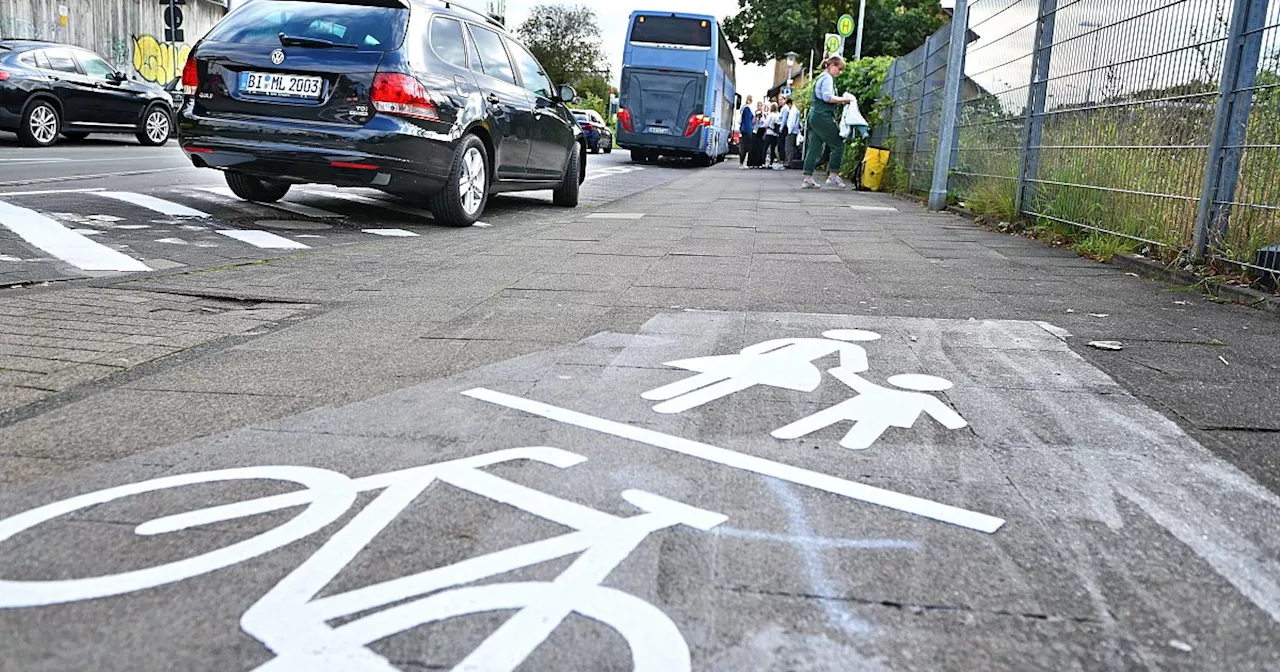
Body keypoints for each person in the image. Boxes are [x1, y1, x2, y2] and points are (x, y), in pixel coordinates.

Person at [802, 55, 857, 189]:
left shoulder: (820, 77)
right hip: (823, 116)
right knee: (839, 143)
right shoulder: (827, 78)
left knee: (814, 147)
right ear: (832, 66)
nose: (840, 72)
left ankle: (807, 178)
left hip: (814, 115)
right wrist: (845, 100)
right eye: (839, 68)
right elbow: (827, 97)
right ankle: (833, 175)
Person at [781, 97, 800, 169]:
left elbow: (791, 121)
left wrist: (789, 131)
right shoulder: (795, 110)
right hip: (794, 131)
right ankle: (790, 161)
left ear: (789, 104)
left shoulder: (793, 111)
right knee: (792, 146)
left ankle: (789, 162)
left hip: (791, 131)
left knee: (789, 147)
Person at [737, 95, 755, 170]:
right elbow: (748, 121)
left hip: (743, 130)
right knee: (745, 147)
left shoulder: (744, 108)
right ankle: (742, 163)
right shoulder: (747, 109)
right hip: (746, 131)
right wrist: (750, 131)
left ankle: (742, 162)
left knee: (743, 147)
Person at [763, 103, 781, 168]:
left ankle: (763, 163)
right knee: (773, 149)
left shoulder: (770, 115)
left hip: (769, 133)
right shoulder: (779, 114)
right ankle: (771, 163)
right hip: (775, 134)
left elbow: (765, 124)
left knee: (765, 147)